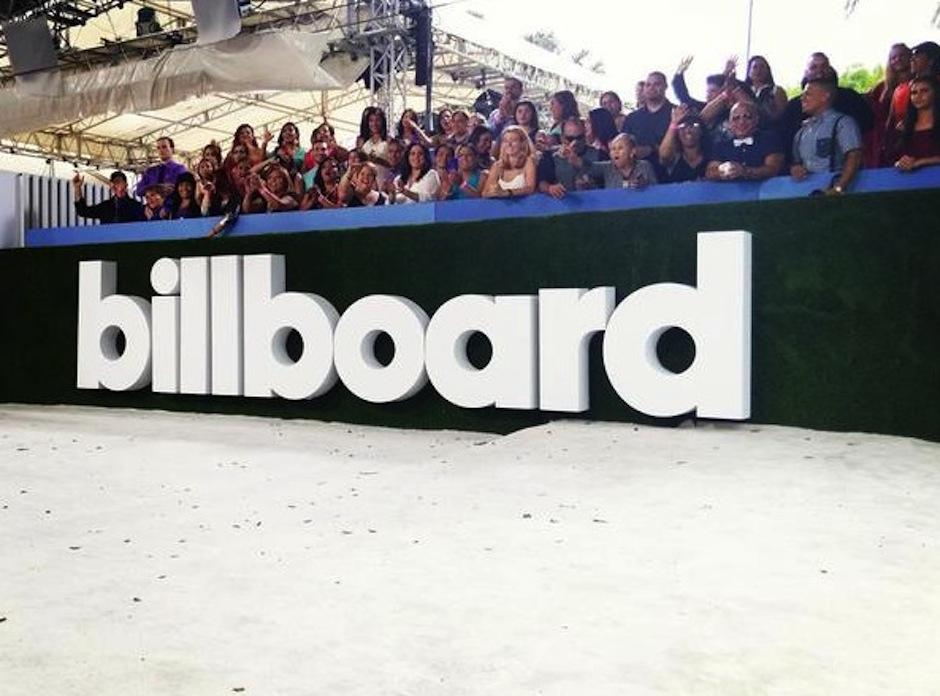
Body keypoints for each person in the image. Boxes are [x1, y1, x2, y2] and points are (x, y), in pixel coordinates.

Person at [790, 79, 863, 195]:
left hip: (838, 193)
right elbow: (797, 163)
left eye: (807, 94)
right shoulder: (801, 131)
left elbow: (854, 156)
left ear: (825, 96)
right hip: (807, 193)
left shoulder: (843, 123)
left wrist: (839, 188)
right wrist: (796, 169)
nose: (801, 98)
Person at [706, 101, 784, 182]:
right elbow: (710, 172)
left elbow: (773, 169)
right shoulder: (721, 144)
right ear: (729, 123)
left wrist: (745, 171)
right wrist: (722, 171)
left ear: (756, 119)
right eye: (736, 118)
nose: (741, 122)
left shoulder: (770, 139)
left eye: (747, 117)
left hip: (767, 193)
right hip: (730, 193)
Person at [867, 43, 912, 166]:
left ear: (910, 56)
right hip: (886, 137)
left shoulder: (919, 83)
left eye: (901, 55)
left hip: (911, 133)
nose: (897, 60)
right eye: (893, 57)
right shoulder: (881, 88)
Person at [537, 117, 602, 197]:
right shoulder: (550, 156)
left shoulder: (599, 154)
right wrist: (550, 188)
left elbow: (607, 180)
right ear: (562, 137)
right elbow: (542, 182)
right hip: (561, 204)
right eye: (570, 138)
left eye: (579, 138)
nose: (575, 142)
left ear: (585, 134)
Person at [621, 71, 674, 163]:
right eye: (648, 85)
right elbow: (623, 145)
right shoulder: (632, 118)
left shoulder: (677, 113)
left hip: (672, 172)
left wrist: (651, 149)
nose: (651, 88)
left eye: (656, 84)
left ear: (665, 86)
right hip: (638, 172)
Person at [890, 76, 940, 171]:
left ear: (935, 93)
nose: (918, 96)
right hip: (910, 183)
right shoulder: (903, 127)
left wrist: (920, 162)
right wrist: (899, 163)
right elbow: (893, 159)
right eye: (914, 92)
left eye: (924, 91)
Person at [482, 125, 536, 198]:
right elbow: (485, 193)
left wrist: (507, 193)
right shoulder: (497, 165)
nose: (509, 144)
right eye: (505, 141)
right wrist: (494, 192)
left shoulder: (528, 161)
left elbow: (530, 188)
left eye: (514, 140)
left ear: (522, 143)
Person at [658, 105, 708, 183]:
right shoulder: (675, 158)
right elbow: (664, 155)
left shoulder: (711, 156)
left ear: (701, 131)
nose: (688, 130)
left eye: (693, 125)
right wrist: (674, 122)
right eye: (682, 126)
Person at [72, 170, 144, 223]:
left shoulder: (136, 206)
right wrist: (77, 188)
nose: (115, 185)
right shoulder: (105, 207)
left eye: (118, 181)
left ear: (126, 185)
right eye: (113, 183)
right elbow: (82, 211)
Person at [590, 133, 658, 189]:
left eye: (620, 148)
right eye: (613, 149)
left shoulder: (645, 166)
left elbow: (656, 191)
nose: (616, 152)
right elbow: (586, 166)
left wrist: (645, 186)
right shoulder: (606, 167)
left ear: (632, 151)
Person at [744, 55, 788, 125]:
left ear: (768, 70)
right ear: (749, 72)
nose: (759, 70)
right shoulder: (743, 90)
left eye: (762, 67)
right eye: (755, 67)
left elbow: (781, 116)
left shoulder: (776, 90)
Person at [357, 106, 392, 184]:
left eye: (378, 120)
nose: (374, 124)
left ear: (383, 122)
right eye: (371, 120)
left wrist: (378, 160)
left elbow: (393, 164)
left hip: (382, 179)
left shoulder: (388, 140)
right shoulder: (362, 140)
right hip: (366, 181)